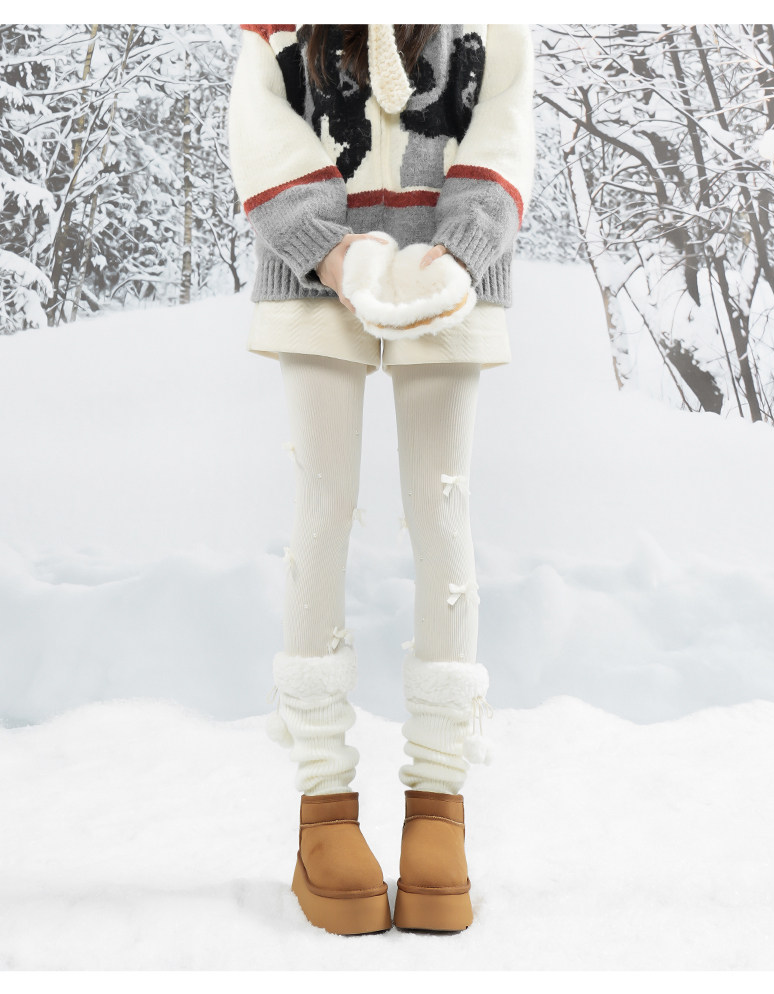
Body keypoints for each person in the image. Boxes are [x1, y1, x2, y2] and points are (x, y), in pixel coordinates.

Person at [228, 22, 535, 935]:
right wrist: (329, 248)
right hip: (315, 272)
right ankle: (323, 803)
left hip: (448, 273)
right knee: (323, 508)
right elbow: (261, 117)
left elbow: (505, 114)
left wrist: (464, 250)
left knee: (442, 511)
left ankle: (439, 803)